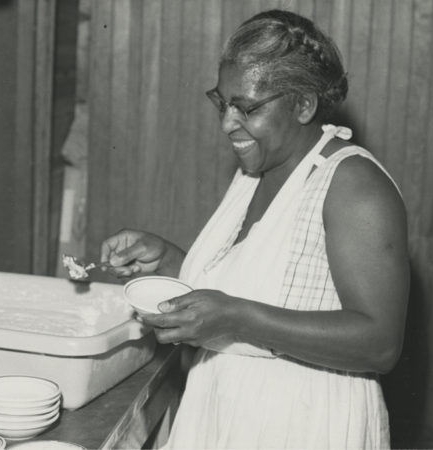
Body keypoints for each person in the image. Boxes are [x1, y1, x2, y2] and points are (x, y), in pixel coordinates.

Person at [99, 9, 409, 450]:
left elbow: (380, 343)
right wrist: (168, 258)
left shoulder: (353, 186)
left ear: (303, 104)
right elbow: (264, 285)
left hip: (305, 425)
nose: (228, 123)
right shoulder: (257, 170)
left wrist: (239, 320)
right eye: (223, 103)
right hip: (227, 412)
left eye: (247, 108)